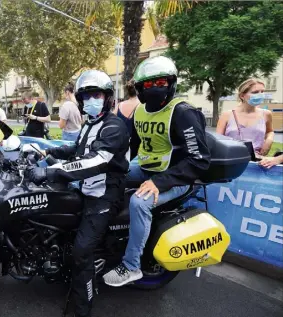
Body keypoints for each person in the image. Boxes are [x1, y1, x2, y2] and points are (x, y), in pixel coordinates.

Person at [27, 70, 130, 317]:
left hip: (105, 195)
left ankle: (81, 308)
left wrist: (51, 173)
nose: (90, 100)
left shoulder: (113, 126)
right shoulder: (91, 124)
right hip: (86, 188)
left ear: (108, 97)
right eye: (86, 96)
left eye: (97, 95)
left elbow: (96, 160)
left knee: (82, 252)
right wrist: (49, 154)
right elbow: (77, 148)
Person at [103, 56, 210, 286]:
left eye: (160, 83)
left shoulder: (183, 113)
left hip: (175, 177)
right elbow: (130, 144)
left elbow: (199, 161)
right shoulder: (140, 112)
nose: (154, 88)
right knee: (105, 176)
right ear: (139, 88)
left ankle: (131, 266)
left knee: (139, 202)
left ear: (171, 84)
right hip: (145, 168)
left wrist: (160, 183)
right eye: (149, 84)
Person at [216, 78, 274, 158]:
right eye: (255, 92)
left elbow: (270, 131)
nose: (260, 95)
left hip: (257, 161)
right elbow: (218, 141)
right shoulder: (227, 115)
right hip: (231, 160)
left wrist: (269, 140)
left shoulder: (266, 114)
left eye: (262, 91)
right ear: (242, 95)